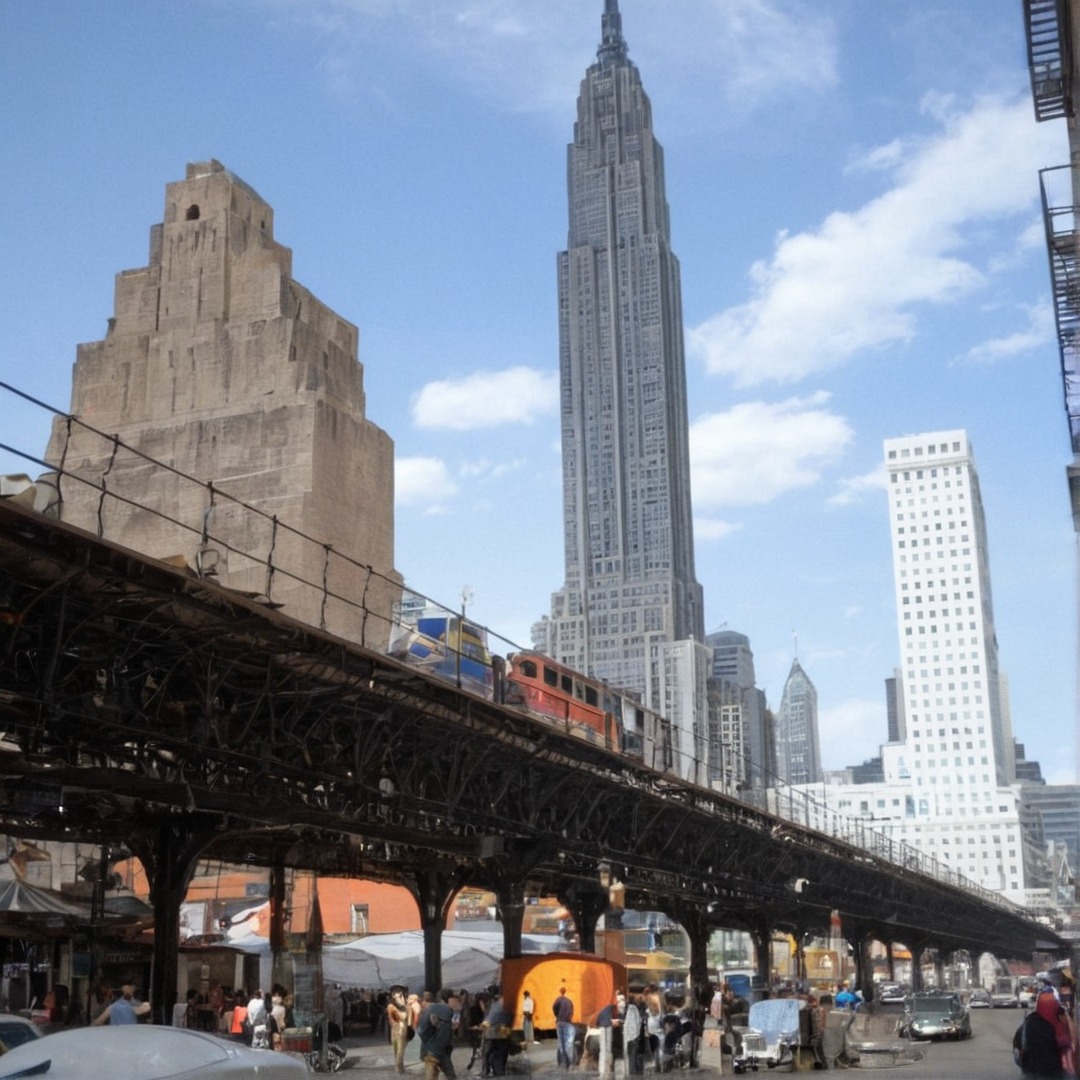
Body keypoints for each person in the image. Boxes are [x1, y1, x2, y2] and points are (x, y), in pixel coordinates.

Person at [1014, 990, 1073, 1078]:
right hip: (1052, 1070)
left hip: (1030, 1069)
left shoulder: (1029, 1020)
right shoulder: (1055, 1023)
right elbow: (1064, 1042)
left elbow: (1018, 1042)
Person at [419, 988, 457, 1080]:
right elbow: (446, 1033)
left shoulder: (428, 1009)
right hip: (440, 1050)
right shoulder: (446, 1010)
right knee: (450, 1076)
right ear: (449, 999)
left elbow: (422, 1031)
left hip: (429, 1049)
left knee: (431, 1076)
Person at [482, 986, 513, 1077]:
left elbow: (491, 1017)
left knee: (493, 1054)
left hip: (495, 1032)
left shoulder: (498, 1003)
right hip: (501, 1032)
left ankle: (493, 1071)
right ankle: (493, 1070)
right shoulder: (496, 1002)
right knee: (499, 1053)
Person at [596, 993, 622, 1076]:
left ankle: (602, 1068)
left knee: (603, 1048)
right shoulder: (612, 1006)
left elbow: (597, 1019)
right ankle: (608, 1066)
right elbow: (616, 1016)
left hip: (602, 1026)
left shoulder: (601, 1008)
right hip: (608, 1026)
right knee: (608, 1048)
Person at [387, 987, 410, 1074]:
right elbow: (401, 1017)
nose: (401, 996)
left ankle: (400, 1066)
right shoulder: (391, 1006)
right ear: (393, 995)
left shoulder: (401, 1005)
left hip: (401, 1028)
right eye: (399, 994)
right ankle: (398, 1067)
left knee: (400, 1049)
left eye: (401, 994)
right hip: (398, 1028)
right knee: (398, 1049)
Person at [553, 986, 575, 1068]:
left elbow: (554, 1008)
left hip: (560, 1022)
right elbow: (571, 1011)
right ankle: (569, 1063)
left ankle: (562, 1062)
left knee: (560, 1042)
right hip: (567, 1022)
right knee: (568, 1043)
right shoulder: (569, 1001)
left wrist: (557, 1015)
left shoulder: (558, 1000)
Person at [623, 991, 644, 1076]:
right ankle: (634, 1072)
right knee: (633, 1055)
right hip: (634, 1036)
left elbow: (632, 1023)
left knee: (631, 1055)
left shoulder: (630, 1009)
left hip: (631, 1036)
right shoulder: (634, 1009)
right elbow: (638, 1022)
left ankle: (632, 1072)